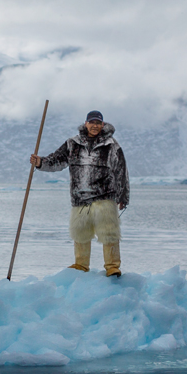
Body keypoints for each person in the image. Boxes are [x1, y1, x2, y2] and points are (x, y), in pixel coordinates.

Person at [30, 110, 130, 277]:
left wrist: (123, 196)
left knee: (109, 232)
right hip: (79, 198)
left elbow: (121, 171)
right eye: (92, 122)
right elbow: (57, 160)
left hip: (105, 196)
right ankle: (81, 265)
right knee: (80, 233)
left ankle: (112, 266)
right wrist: (40, 162)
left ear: (103, 125)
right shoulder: (72, 144)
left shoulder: (112, 145)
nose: (95, 126)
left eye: (98, 123)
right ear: (86, 124)